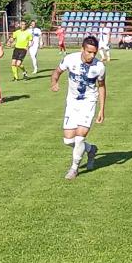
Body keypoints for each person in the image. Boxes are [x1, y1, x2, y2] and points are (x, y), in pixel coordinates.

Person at [51, 35, 106, 180]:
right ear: (82, 49)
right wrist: (54, 82)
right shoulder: (70, 59)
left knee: (80, 137)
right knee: (69, 140)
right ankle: (91, 149)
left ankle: (74, 169)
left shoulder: (99, 67)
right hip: (72, 103)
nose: (92, 55)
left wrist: (101, 109)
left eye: (94, 53)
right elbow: (57, 71)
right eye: (89, 52)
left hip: (88, 102)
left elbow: (101, 87)